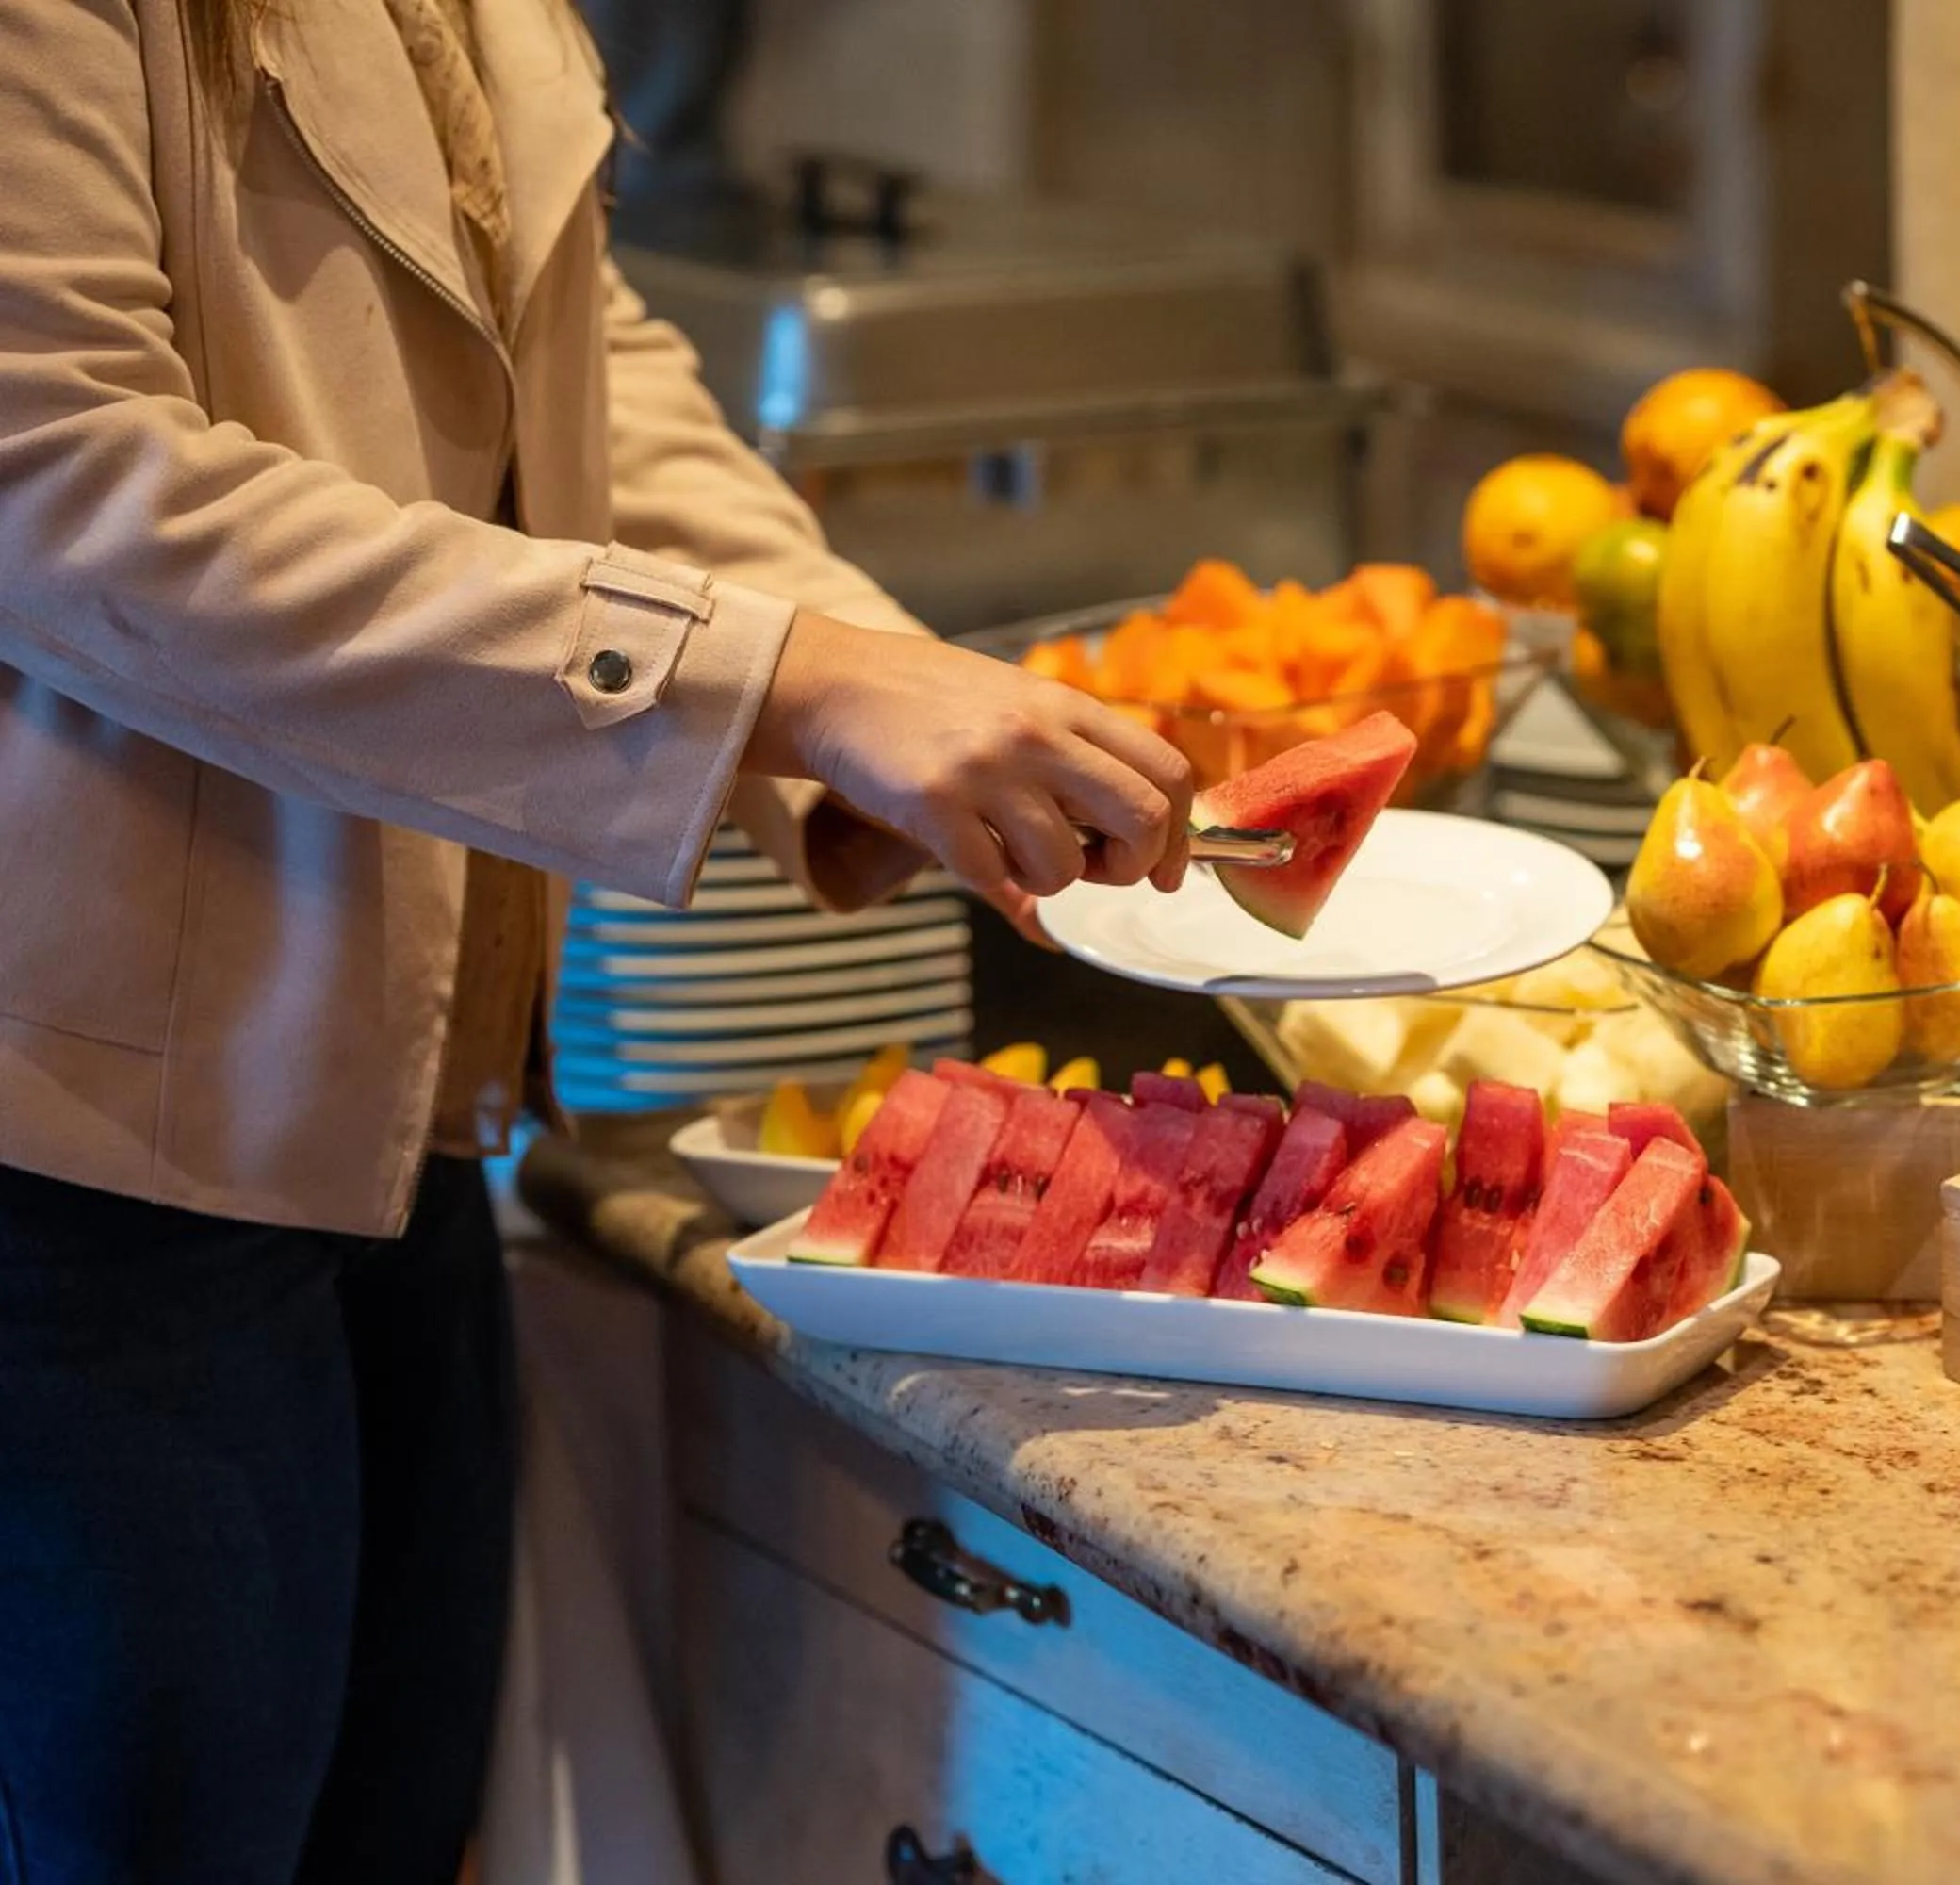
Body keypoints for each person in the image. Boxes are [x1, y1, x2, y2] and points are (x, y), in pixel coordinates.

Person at [0, 2, 1195, 1879]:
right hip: (70, 1161)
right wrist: (770, 679)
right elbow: (57, 481)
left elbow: (569, 348)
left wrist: (849, 666)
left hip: (394, 1087)